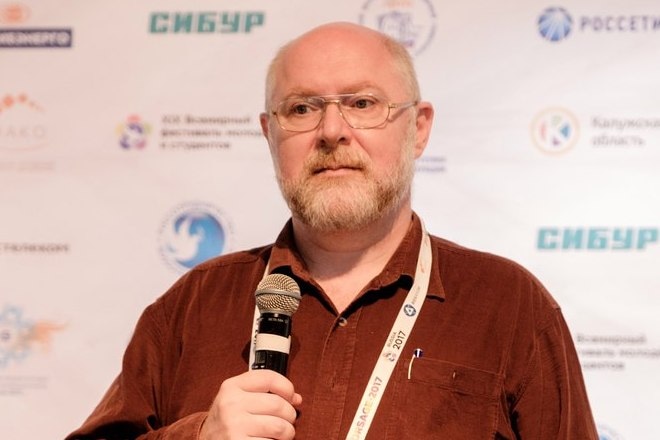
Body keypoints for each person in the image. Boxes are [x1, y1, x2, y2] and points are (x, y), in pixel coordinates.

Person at [66, 22, 598, 439]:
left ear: (418, 129)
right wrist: (198, 437)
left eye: (362, 104)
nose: (332, 131)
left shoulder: (509, 306)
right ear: (269, 134)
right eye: (302, 108)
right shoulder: (190, 308)